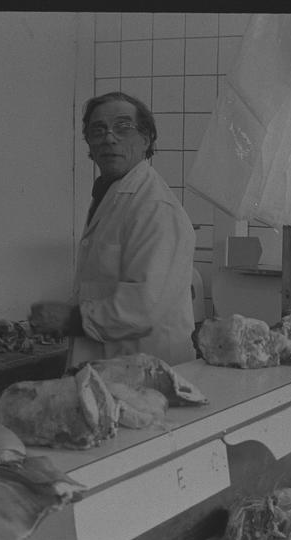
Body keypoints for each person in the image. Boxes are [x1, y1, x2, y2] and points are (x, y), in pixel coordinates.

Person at [30, 92, 197, 367]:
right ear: (89, 143)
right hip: (112, 365)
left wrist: (70, 318)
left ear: (147, 139)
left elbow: (142, 308)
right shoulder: (111, 194)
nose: (109, 138)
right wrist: (63, 312)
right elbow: (99, 285)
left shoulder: (154, 207)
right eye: (98, 130)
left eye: (123, 127)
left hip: (147, 368)